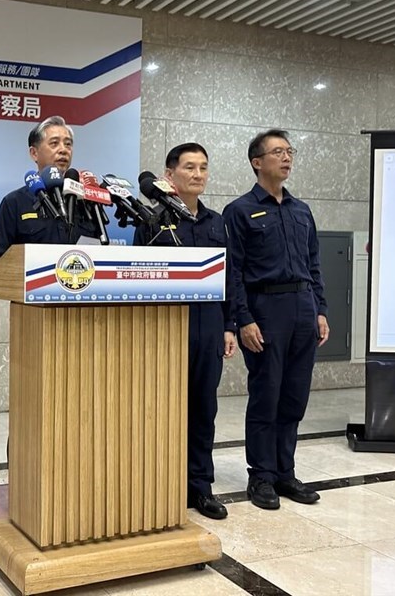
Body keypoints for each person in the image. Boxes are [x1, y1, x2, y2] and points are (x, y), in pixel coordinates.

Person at [223, 129, 329, 510]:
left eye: (289, 151)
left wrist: (320, 309)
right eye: (278, 152)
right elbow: (232, 271)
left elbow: (314, 263)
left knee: (295, 397)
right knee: (266, 396)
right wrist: (243, 319)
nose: (287, 158)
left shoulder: (301, 211)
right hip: (265, 311)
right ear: (257, 162)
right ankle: (262, 476)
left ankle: (286, 472)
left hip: (302, 306)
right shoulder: (239, 211)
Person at [134, 143, 236, 520]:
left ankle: (200, 486)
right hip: (167, 326)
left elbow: (230, 277)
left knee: (203, 408)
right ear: (169, 174)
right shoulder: (152, 220)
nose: (197, 174)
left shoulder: (216, 222)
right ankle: (161, 483)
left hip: (208, 324)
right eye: (189, 167)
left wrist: (229, 325)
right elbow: (138, 277)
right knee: (163, 408)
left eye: (203, 168)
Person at [0, 115, 97, 264]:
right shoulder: (15, 203)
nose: (63, 150)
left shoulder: (86, 202)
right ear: (34, 153)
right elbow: (0, 265)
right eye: (54, 143)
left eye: (68, 144)